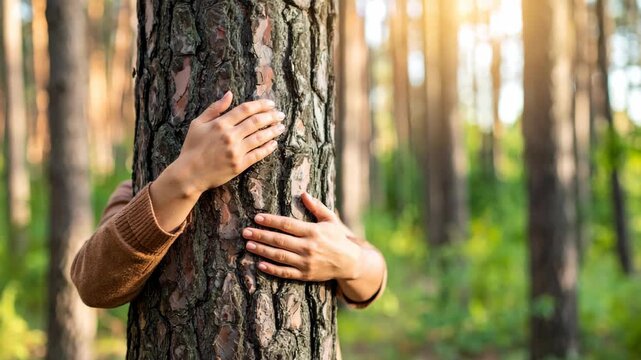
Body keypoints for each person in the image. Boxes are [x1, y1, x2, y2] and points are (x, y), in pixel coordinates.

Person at [70, 91, 387, 314]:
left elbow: (373, 279)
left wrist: (352, 262)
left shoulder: (304, 188)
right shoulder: (136, 192)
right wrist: (187, 178)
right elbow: (94, 285)